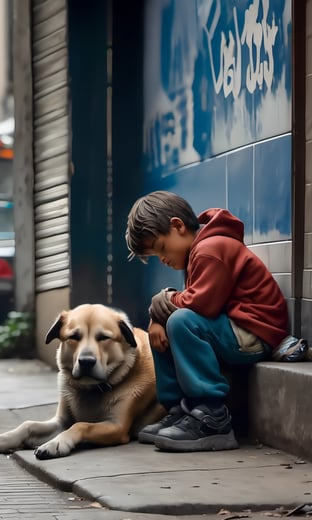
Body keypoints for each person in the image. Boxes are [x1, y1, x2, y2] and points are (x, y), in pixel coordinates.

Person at [125, 191, 308, 452]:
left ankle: (212, 416)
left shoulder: (211, 249)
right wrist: (158, 317)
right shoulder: (197, 250)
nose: (163, 260)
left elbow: (202, 305)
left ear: (178, 226)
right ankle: (180, 409)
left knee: (178, 321)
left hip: (255, 333)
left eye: (162, 248)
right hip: (232, 328)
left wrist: (163, 304)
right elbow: (194, 303)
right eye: (156, 256)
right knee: (166, 324)